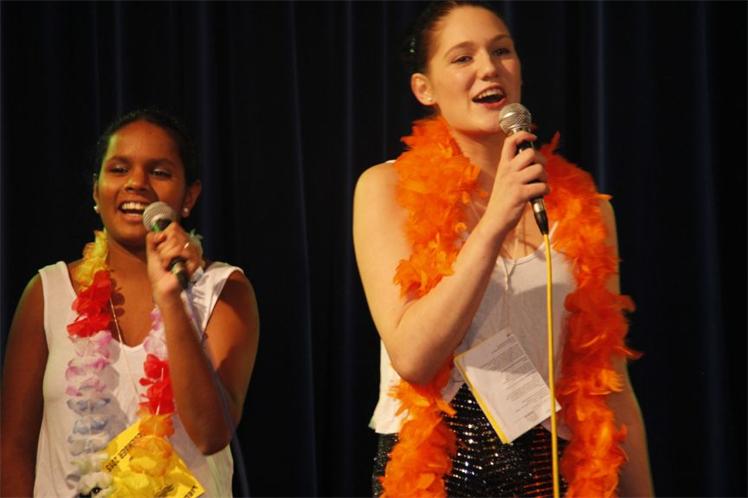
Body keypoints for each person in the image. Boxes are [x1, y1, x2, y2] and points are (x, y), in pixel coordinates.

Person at [353, 2, 654, 497]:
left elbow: (612, 386)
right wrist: (495, 220)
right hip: (435, 474)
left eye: (501, 52)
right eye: (462, 58)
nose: (489, 68)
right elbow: (413, 356)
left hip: (549, 474)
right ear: (424, 89)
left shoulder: (584, 206)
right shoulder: (386, 189)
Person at [1, 109, 259, 497]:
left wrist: (171, 300)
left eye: (159, 172)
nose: (136, 183)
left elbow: (211, 433)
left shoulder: (224, 290)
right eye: (119, 169)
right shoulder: (47, 291)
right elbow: (13, 450)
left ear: (189, 196)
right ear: (95, 190)